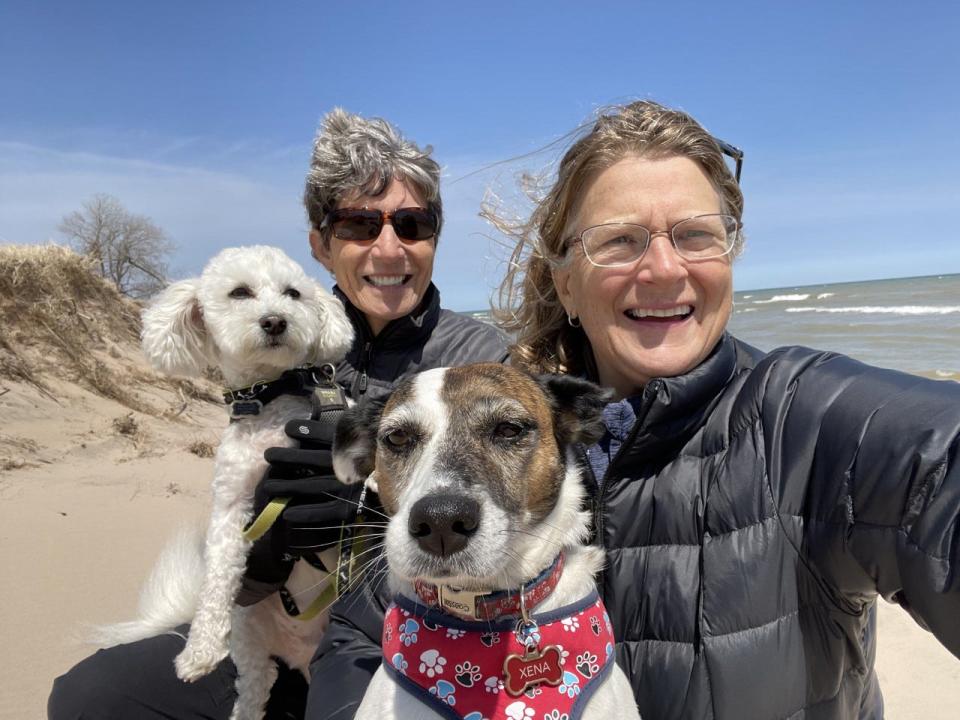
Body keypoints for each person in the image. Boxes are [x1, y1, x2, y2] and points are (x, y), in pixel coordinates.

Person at [305, 100, 960, 720]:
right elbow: (360, 632)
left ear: (729, 255)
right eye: (620, 241)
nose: (664, 269)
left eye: (695, 235)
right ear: (565, 280)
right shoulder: (529, 413)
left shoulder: (804, 416)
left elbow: (936, 464)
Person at [47, 108, 509, 720]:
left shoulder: (479, 359)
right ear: (320, 244)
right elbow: (240, 554)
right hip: (278, 630)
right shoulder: (278, 361)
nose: (389, 246)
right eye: (359, 224)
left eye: (412, 223)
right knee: (92, 696)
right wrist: (265, 549)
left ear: (433, 238)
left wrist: (370, 504)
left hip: (405, 636)